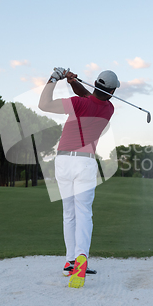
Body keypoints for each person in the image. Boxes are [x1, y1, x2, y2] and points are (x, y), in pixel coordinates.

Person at [38, 67, 119, 288]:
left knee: (69, 213)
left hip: (63, 161)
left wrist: (55, 79)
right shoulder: (109, 109)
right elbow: (92, 98)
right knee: (84, 212)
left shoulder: (77, 104)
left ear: (95, 83)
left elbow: (43, 104)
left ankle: (70, 262)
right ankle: (81, 257)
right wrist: (73, 82)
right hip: (85, 162)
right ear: (111, 91)